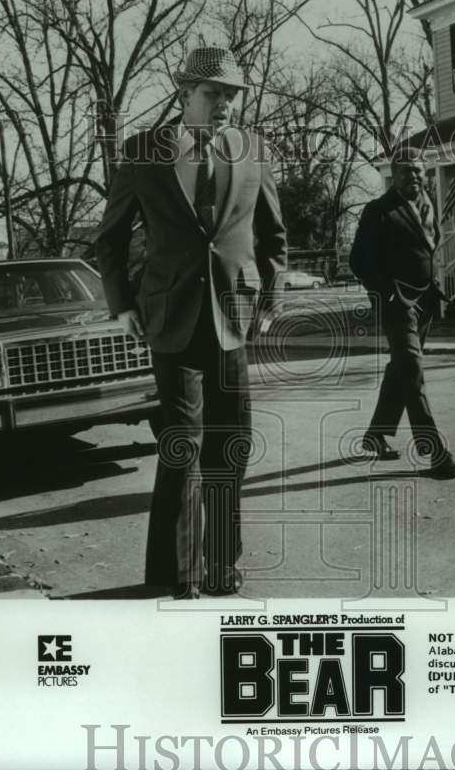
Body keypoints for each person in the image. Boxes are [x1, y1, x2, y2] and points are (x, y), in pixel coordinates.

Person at [95, 47, 287, 599]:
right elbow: (109, 239)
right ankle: (178, 574)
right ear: (184, 95)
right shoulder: (142, 152)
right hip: (170, 320)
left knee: (233, 445)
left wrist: (271, 297)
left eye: (231, 94)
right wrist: (124, 305)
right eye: (213, 93)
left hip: (233, 319)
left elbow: (273, 235)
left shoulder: (253, 152)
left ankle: (223, 565)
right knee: (182, 445)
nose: (224, 103)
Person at [348, 148, 455, 480]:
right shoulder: (377, 211)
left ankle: (376, 435)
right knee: (412, 367)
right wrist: (387, 292)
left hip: (425, 299)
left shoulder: (428, 204)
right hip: (397, 303)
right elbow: (359, 262)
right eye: (406, 171)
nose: (413, 176)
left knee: (402, 367)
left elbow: (429, 246)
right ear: (393, 176)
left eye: (418, 171)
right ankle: (434, 449)